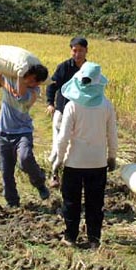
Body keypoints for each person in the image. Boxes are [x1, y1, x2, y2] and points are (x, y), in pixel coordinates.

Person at [52, 62, 118, 249]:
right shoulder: (106, 105)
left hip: (74, 163)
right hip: (98, 163)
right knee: (95, 203)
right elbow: (112, 134)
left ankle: (70, 237)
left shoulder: (72, 106)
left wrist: (58, 161)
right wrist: (112, 157)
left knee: (71, 202)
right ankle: (93, 239)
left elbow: (63, 138)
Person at [0, 64, 51, 208]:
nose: (27, 82)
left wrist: (12, 79)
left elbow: (19, 96)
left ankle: (39, 182)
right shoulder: (13, 81)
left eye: (31, 80)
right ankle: (12, 202)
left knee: (25, 158)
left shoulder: (34, 92)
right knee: (6, 172)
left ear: (37, 83)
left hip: (22, 133)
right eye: (26, 78)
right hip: (3, 132)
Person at [46, 36, 88, 188]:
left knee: (78, 144)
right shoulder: (64, 67)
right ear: (71, 51)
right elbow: (52, 85)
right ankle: (54, 175)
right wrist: (50, 103)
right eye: (74, 50)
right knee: (60, 142)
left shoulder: (89, 69)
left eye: (80, 51)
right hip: (63, 111)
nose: (77, 54)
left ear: (86, 51)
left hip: (82, 114)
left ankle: (75, 175)